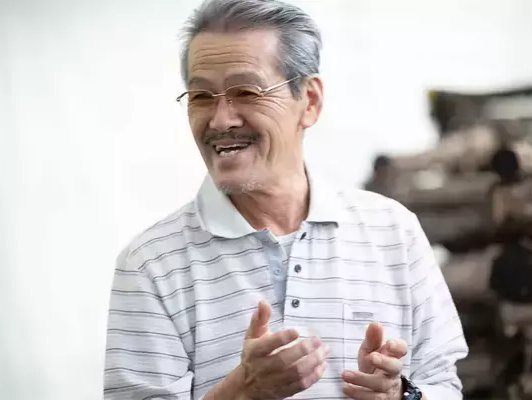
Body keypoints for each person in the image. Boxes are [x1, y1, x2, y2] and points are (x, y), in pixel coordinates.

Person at [103, 0, 469, 399]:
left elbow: (444, 384)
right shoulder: (151, 264)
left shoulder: (393, 230)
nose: (221, 120)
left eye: (246, 91)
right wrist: (243, 391)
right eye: (202, 96)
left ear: (309, 101)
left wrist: (400, 395)